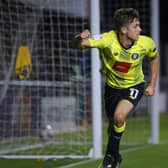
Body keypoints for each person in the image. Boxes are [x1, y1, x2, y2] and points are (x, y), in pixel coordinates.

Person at [72, 8, 159, 168]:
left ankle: (109, 159)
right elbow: (78, 45)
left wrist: (152, 84)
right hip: (112, 88)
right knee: (113, 126)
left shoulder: (145, 42)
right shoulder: (107, 39)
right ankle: (116, 155)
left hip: (134, 86)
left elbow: (154, 57)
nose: (139, 29)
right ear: (124, 30)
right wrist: (79, 37)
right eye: (136, 26)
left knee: (120, 117)